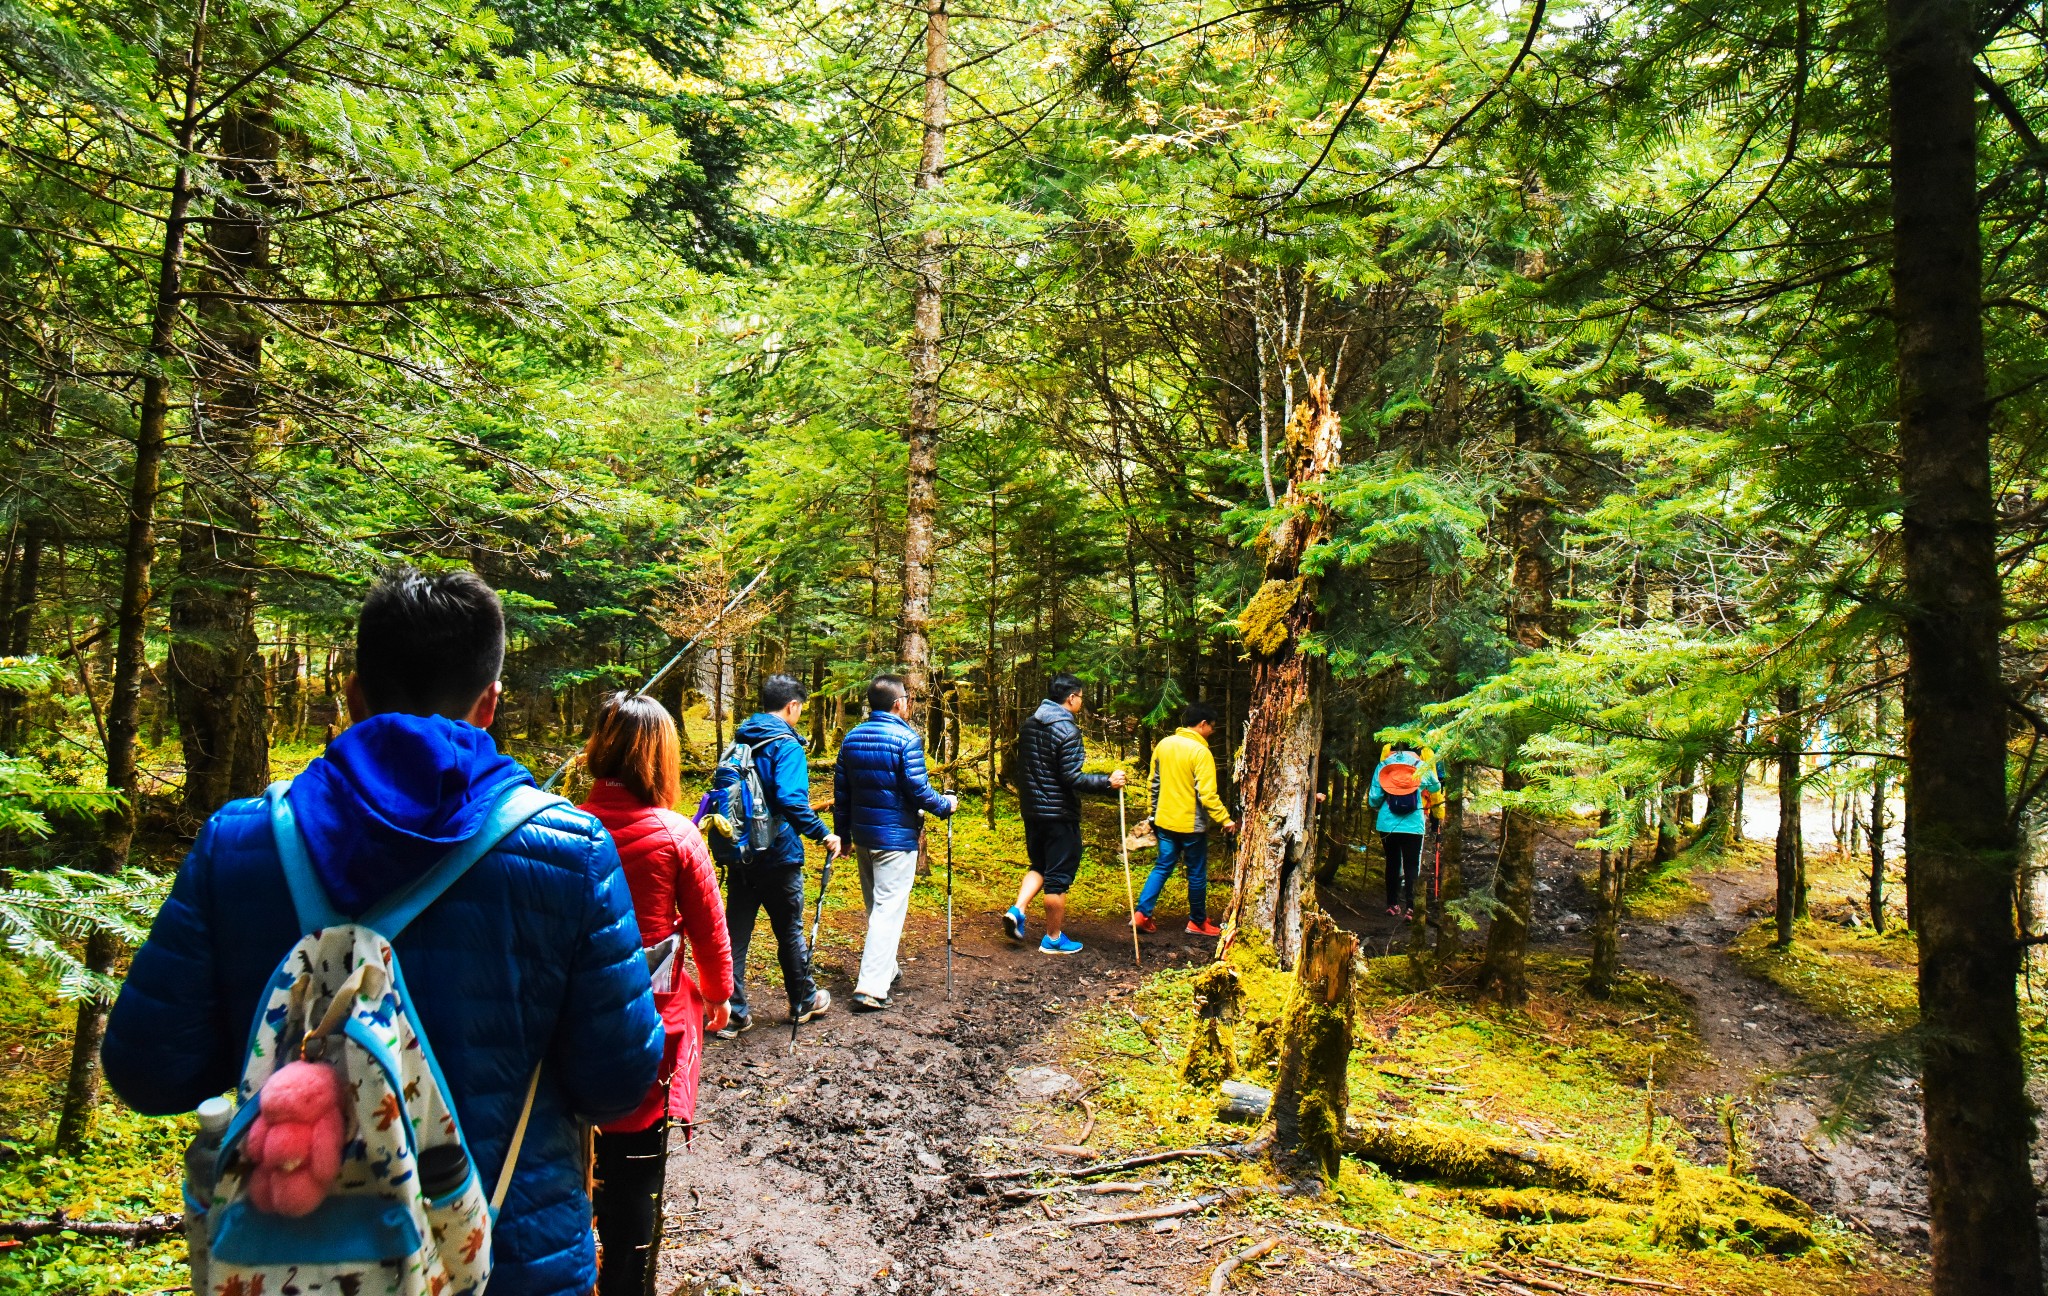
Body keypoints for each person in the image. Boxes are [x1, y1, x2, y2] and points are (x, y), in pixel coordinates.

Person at [103, 568, 662, 1296]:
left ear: (355, 693)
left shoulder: (237, 843)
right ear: (488, 703)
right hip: (507, 1260)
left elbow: (148, 1070)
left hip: (291, 1262)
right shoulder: (571, 851)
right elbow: (619, 1085)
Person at [578, 692, 734, 1296]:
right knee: (637, 1181)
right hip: (651, 1033)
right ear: (660, 758)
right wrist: (719, 994)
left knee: (575, 1163)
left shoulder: (563, 825)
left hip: (572, 1029)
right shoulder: (675, 836)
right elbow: (708, 926)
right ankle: (629, 1280)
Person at [719, 673, 840, 1035]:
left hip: (741, 854)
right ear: (793, 706)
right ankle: (802, 1000)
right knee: (789, 929)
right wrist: (823, 834)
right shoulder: (786, 746)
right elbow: (790, 799)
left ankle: (733, 1011)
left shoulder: (741, 739)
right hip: (778, 854)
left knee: (735, 935)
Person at [832, 674, 956, 1012]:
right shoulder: (906, 739)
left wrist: (843, 835)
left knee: (877, 907)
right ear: (899, 703)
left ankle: (886, 968)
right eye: (907, 700)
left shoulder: (852, 738)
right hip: (896, 840)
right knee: (887, 911)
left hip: (864, 836)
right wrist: (945, 804)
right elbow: (918, 790)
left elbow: (841, 793)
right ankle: (870, 987)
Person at [1004, 673, 1126, 955]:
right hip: (1059, 814)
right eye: (1081, 697)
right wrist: (1107, 782)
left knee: (1040, 865)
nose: (1081, 702)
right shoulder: (1067, 730)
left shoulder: (1030, 724)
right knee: (1057, 877)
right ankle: (1053, 938)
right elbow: (1072, 777)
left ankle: (1018, 910)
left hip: (1033, 811)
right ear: (1071, 698)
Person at [1134, 701, 1237, 937]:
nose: (1212, 731)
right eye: (1211, 726)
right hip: (1191, 826)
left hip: (1164, 821)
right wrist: (1225, 820)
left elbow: (1154, 783)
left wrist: (1153, 814)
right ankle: (1198, 922)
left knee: (1162, 867)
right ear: (1202, 724)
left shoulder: (1164, 745)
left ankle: (1142, 914)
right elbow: (1207, 794)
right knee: (1197, 873)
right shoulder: (1201, 752)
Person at [1369, 741, 1441, 917]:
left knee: (1392, 863)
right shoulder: (1421, 766)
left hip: (1387, 824)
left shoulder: (1384, 766)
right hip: (1413, 825)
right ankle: (1411, 908)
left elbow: (1374, 799)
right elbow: (1435, 787)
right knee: (1411, 865)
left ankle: (1392, 905)